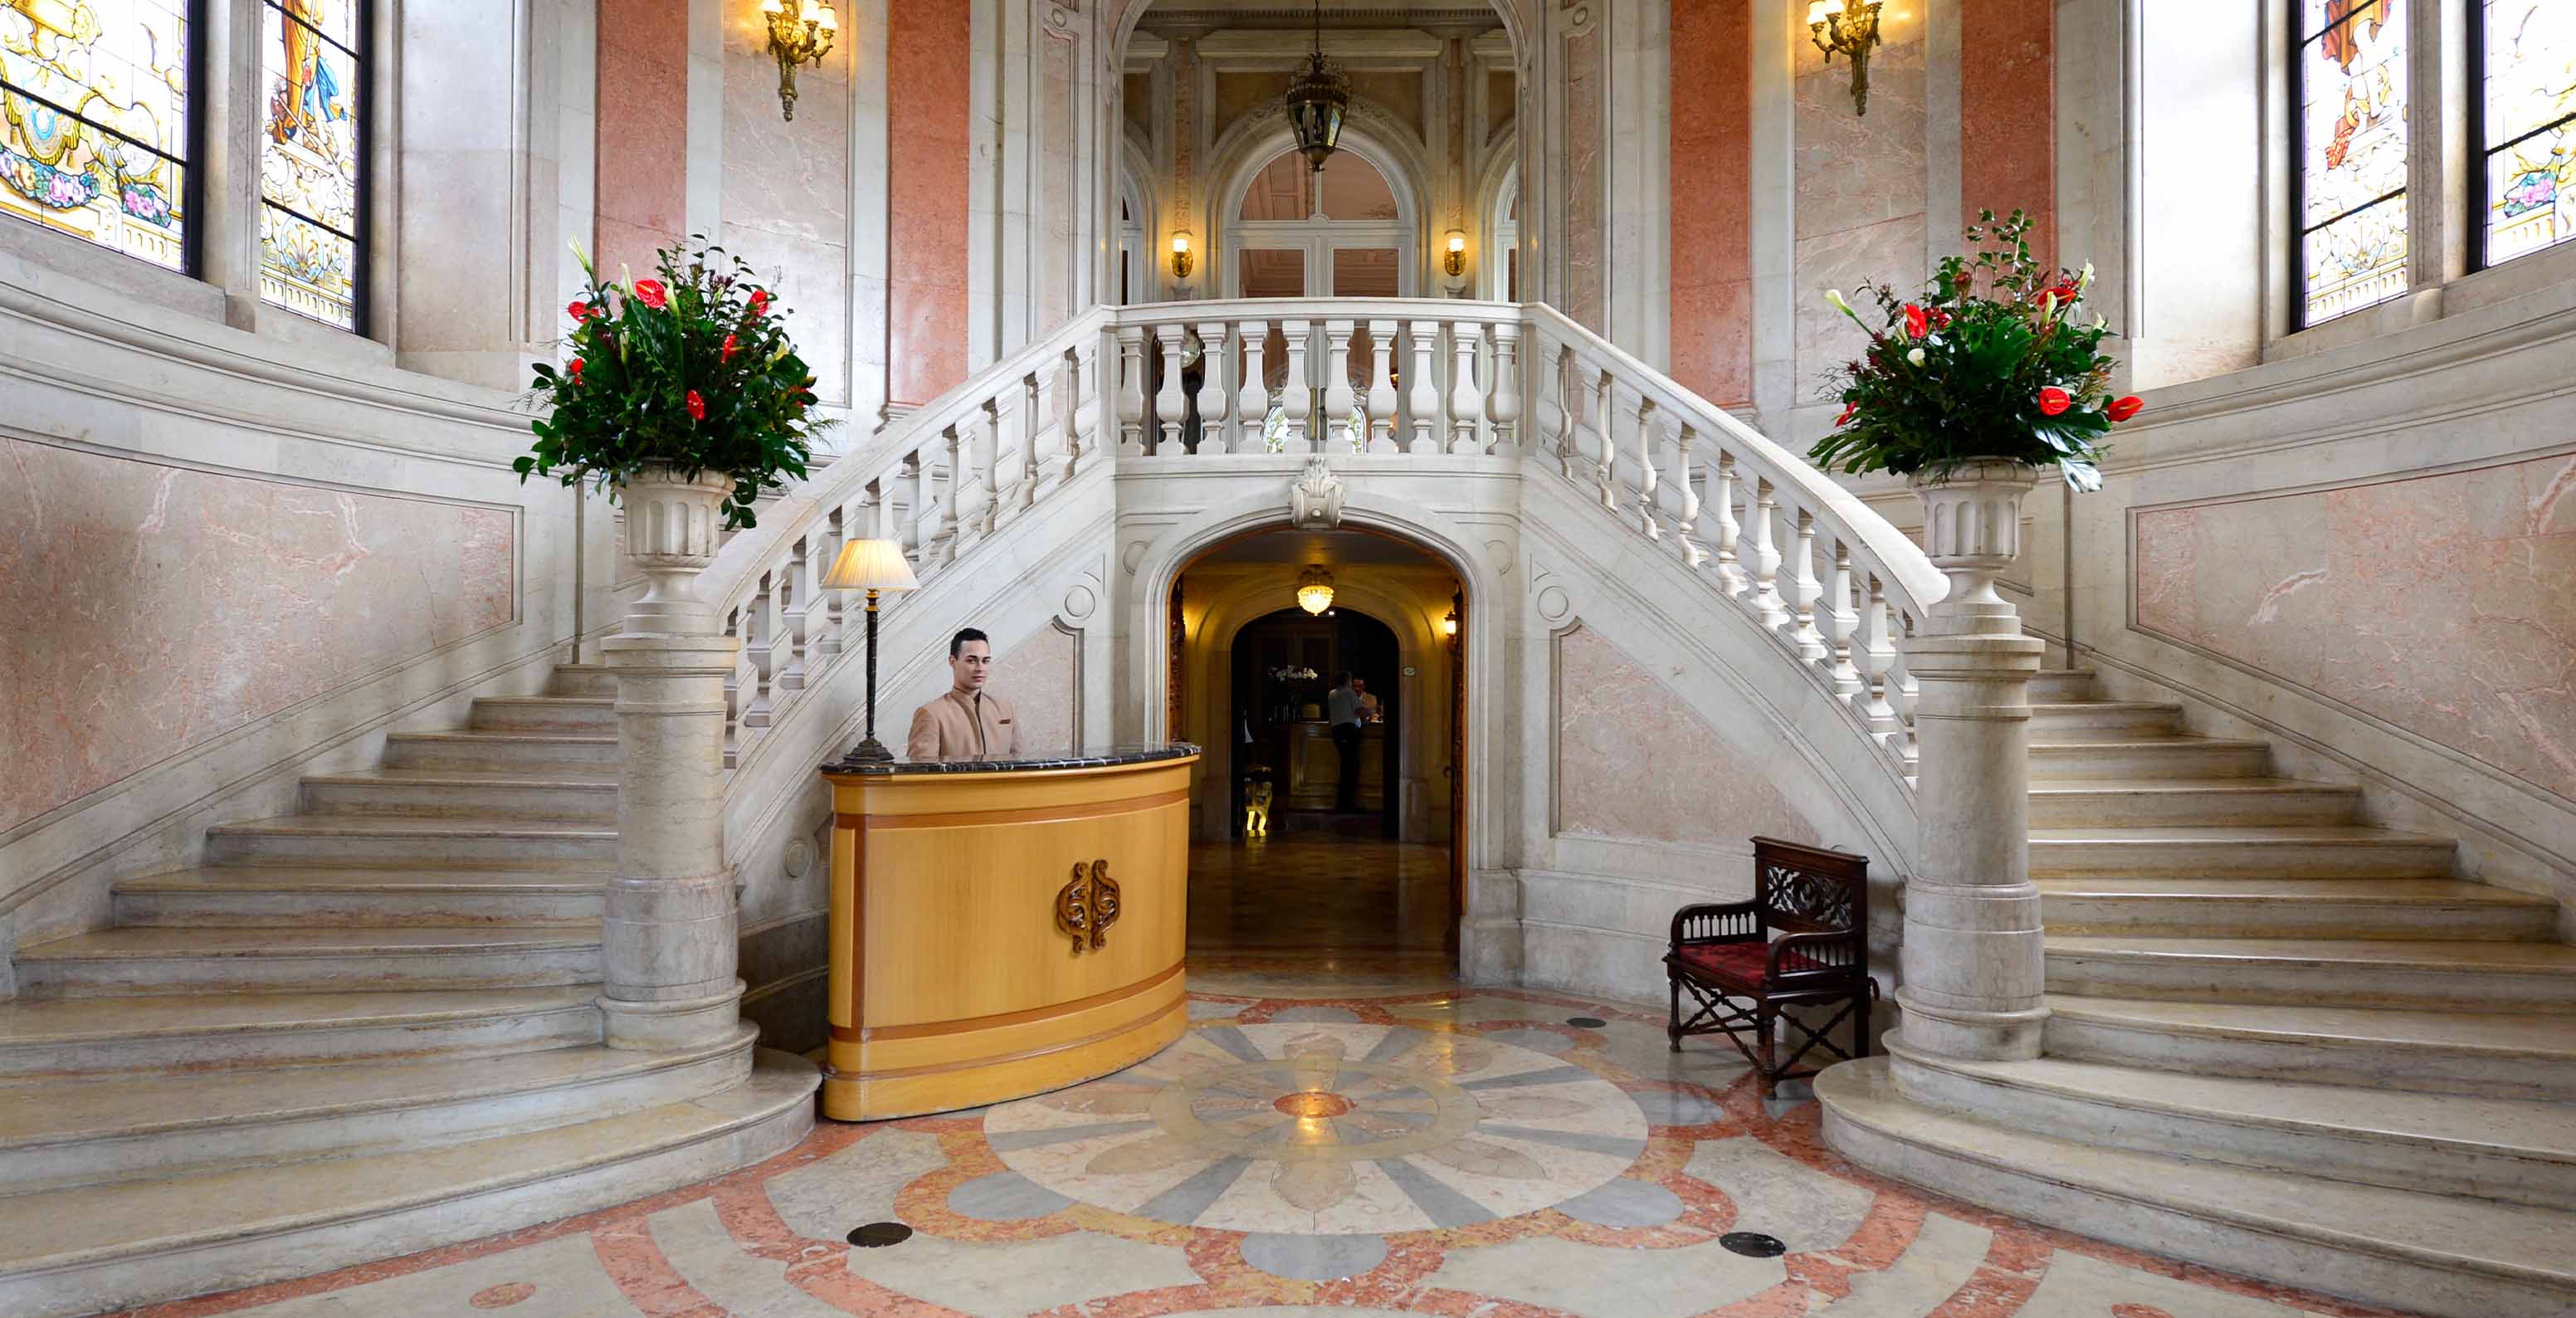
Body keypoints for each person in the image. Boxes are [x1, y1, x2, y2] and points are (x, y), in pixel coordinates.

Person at [907, 628, 1019, 760]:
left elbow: (1022, 764)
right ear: (952, 662)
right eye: (971, 661)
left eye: (985, 661)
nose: (980, 668)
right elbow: (921, 775)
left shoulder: (1005, 708)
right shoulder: (931, 714)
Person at [1325, 671, 1364, 811]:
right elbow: (1359, 711)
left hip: (1337, 731)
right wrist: (1371, 711)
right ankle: (1349, 804)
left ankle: (1342, 803)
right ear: (1347, 680)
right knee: (1352, 767)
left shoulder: (1332, 694)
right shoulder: (1349, 693)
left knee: (1346, 766)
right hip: (1349, 730)